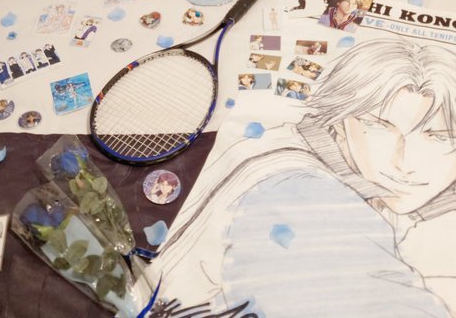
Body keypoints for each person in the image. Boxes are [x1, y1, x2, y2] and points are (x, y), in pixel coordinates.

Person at [151, 39, 456, 316]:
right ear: (340, 121)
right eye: (379, 127)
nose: (405, 162)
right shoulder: (301, 191)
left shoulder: (355, 174)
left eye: (440, 137)